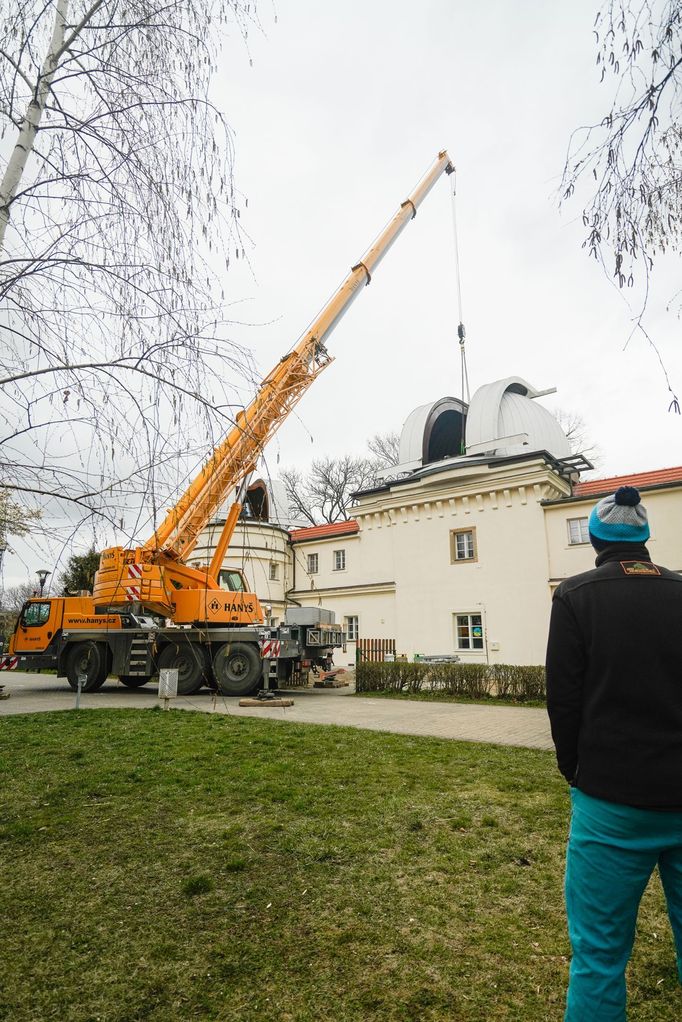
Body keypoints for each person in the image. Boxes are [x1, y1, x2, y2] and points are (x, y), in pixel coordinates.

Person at [546, 485, 682, 1021]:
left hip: (610, 804)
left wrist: (574, 769)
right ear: (645, 539)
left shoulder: (576, 596)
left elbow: (565, 697)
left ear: (596, 539)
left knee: (600, 955)